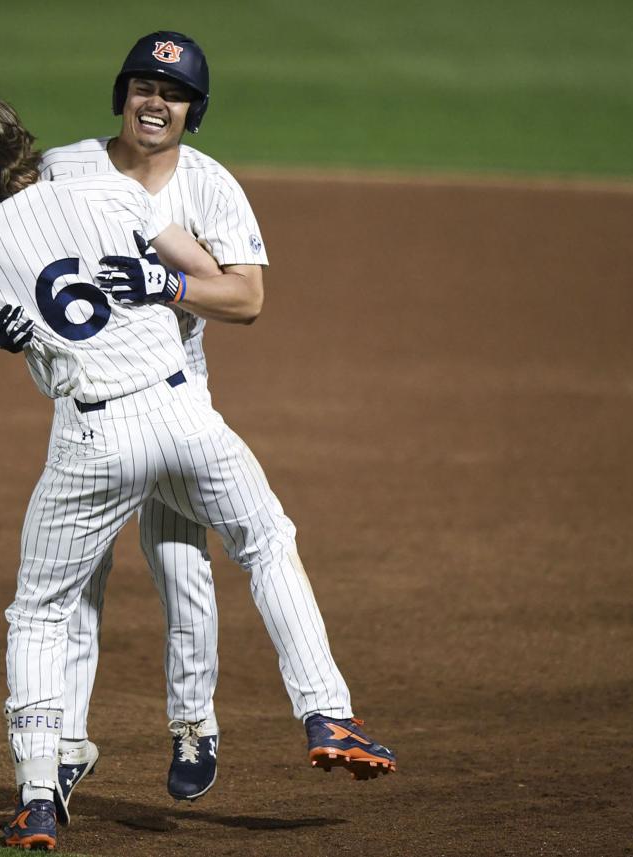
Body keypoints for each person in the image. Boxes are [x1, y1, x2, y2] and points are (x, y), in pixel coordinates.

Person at [0, 89, 394, 851]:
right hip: (183, 414)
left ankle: (38, 795)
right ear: (23, 141)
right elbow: (208, 279)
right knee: (266, 542)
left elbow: (7, 324)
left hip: (93, 439)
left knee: (41, 611)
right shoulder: (111, 189)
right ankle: (327, 710)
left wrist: (2, 334)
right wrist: (154, 279)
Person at [26, 31, 393, 805]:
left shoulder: (210, 186)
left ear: (192, 111)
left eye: (174, 94)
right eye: (144, 87)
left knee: (176, 565)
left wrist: (169, 287)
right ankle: (70, 746)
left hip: (170, 404)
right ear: (122, 94)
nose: (155, 103)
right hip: (109, 414)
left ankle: (184, 726)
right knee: (98, 579)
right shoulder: (66, 167)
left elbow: (247, 297)